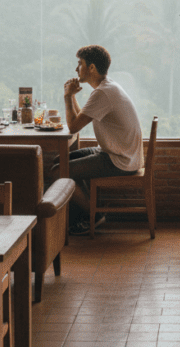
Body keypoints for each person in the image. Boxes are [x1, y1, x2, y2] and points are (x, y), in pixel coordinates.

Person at [61, 45, 143, 236]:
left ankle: (93, 215)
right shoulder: (107, 87)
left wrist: (67, 97)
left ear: (91, 68)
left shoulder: (102, 93)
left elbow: (73, 126)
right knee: (60, 162)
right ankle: (88, 213)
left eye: (79, 64)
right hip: (116, 153)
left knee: (60, 172)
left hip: (119, 160)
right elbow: (81, 118)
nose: (76, 69)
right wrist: (72, 96)